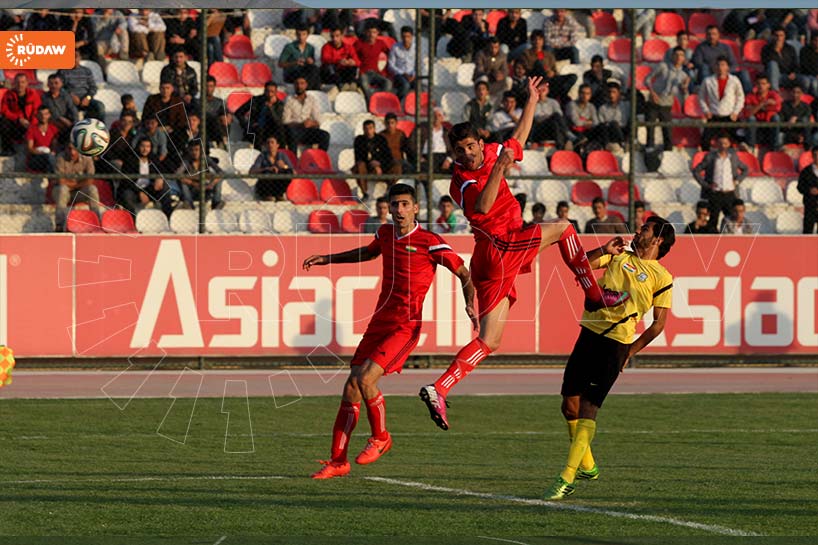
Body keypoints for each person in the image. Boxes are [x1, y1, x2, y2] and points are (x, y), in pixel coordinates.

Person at [419, 76, 629, 430]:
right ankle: (596, 297)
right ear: (453, 154)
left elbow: (518, 137)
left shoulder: (491, 152)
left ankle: (438, 388)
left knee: (490, 340)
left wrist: (531, 99)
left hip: (492, 258)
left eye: (470, 146)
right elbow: (483, 207)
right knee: (564, 228)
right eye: (459, 150)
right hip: (500, 245)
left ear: (480, 142)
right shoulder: (462, 181)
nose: (466, 154)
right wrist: (499, 169)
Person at [303, 183, 477, 479]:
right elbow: (368, 253)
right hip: (379, 322)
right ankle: (338, 461)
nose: (399, 210)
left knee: (366, 379)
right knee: (351, 386)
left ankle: (381, 437)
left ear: (416, 208)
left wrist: (469, 304)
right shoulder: (385, 233)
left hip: (405, 325)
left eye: (405, 204)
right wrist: (329, 258)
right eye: (395, 204)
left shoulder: (429, 241)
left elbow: (463, 272)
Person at [544, 217, 676, 500]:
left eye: (645, 229)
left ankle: (567, 476)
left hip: (616, 344)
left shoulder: (662, 277)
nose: (638, 231)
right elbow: (581, 265)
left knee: (589, 407)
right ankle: (588, 466)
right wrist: (604, 249)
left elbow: (658, 325)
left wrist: (630, 351)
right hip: (588, 334)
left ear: (658, 240)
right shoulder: (619, 254)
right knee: (569, 406)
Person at [691, 134, 750, 231]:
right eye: (720, 143)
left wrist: (737, 181)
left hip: (729, 193)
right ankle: (712, 237)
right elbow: (696, 171)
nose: (723, 146)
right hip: (715, 194)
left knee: (731, 219)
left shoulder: (733, 157)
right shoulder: (710, 157)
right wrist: (706, 185)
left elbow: (746, 169)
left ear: (729, 144)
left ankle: (731, 238)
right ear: (716, 144)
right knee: (713, 220)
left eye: (725, 143)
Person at [646, 47, 690, 151]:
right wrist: (652, 92)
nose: (678, 57)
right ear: (672, 56)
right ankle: (649, 151)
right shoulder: (663, 66)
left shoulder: (683, 75)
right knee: (650, 129)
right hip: (653, 102)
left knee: (667, 132)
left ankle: (668, 152)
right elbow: (647, 79)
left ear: (684, 59)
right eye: (676, 54)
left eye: (681, 55)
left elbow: (684, 96)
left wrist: (685, 89)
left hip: (667, 105)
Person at [118, 136, 174, 217]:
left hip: (149, 189)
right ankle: (133, 220)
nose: (145, 149)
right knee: (127, 195)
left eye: (148, 146)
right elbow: (126, 181)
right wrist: (139, 192)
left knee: (165, 187)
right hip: (133, 189)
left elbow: (161, 170)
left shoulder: (153, 159)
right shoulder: (130, 159)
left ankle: (168, 216)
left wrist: (160, 178)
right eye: (143, 146)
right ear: (138, 147)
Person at [698, 56, 745, 151]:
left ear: (727, 67)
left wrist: (736, 112)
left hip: (730, 116)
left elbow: (741, 97)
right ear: (714, 67)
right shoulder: (708, 81)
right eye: (718, 65)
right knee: (705, 141)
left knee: (741, 139)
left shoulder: (734, 80)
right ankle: (707, 157)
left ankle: (742, 156)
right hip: (714, 116)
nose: (720, 67)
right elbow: (701, 97)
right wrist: (706, 111)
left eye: (723, 65)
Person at [54, 143, 101, 231]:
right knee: (62, 189)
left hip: (80, 191)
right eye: (69, 149)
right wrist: (79, 183)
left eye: (75, 149)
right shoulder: (60, 158)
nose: (72, 152)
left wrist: (73, 185)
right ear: (66, 149)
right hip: (65, 191)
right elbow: (61, 181)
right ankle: (59, 225)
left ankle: (97, 222)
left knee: (92, 189)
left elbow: (90, 180)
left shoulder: (87, 158)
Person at [283, 77, 330, 152]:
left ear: (306, 85)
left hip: (308, 130)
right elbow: (285, 121)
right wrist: (301, 124)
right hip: (294, 130)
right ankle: (293, 158)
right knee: (291, 132)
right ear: (294, 85)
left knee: (325, 136)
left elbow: (318, 119)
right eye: (297, 83)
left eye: (302, 83)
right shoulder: (289, 99)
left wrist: (311, 123)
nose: (299, 86)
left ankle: (319, 157)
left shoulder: (312, 99)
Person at [56, 51, 105, 123]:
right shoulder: (62, 71)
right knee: (72, 112)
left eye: (76, 57)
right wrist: (70, 96)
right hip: (70, 99)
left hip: (86, 99)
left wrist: (88, 97)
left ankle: (99, 127)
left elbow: (93, 87)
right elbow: (60, 88)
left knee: (100, 106)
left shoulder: (86, 71)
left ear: (80, 58)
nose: (74, 59)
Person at [236, 81, 286, 149]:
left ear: (276, 92)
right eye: (267, 91)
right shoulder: (255, 100)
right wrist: (247, 124)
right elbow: (239, 112)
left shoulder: (279, 104)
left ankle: (283, 152)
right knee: (258, 130)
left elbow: (277, 121)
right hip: (255, 129)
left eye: (272, 92)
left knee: (281, 129)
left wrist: (271, 108)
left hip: (270, 130)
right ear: (264, 91)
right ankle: (258, 152)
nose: (269, 94)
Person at [0, 73, 42, 155]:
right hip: (15, 122)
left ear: (27, 83)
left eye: (23, 82)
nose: (20, 85)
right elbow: (4, 110)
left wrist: (31, 124)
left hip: (30, 123)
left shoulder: (33, 94)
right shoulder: (8, 94)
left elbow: (37, 111)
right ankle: (7, 149)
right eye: (18, 82)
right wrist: (18, 119)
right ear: (14, 83)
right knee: (3, 121)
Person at [175, 141, 224, 210]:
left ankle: (216, 203)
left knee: (219, 179)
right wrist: (193, 183)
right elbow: (178, 174)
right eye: (191, 150)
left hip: (206, 188)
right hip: (193, 190)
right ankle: (189, 204)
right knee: (182, 182)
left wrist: (212, 184)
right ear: (188, 151)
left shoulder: (206, 159)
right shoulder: (187, 160)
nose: (194, 152)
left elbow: (221, 172)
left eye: (196, 150)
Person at [353, 120, 393, 198]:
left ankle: (389, 190)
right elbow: (358, 157)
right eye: (366, 128)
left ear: (374, 129)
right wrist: (371, 163)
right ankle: (364, 193)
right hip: (366, 166)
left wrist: (379, 163)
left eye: (370, 128)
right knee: (360, 165)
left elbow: (388, 156)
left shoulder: (381, 139)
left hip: (381, 165)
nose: (368, 131)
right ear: (363, 129)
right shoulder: (359, 140)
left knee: (396, 166)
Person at [530, 81, 574, 150]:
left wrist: (549, 118)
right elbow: (537, 118)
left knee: (556, 121)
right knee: (555, 117)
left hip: (552, 127)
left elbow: (560, 116)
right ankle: (568, 135)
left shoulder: (553, 102)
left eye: (544, 90)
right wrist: (550, 117)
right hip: (539, 128)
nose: (542, 92)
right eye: (540, 89)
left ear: (548, 90)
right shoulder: (532, 103)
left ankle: (560, 146)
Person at [742, 74, 782, 150]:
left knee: (776, 117)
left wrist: (756, 108)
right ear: (755, 85)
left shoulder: (773, 95)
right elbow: (748, 113)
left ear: (768, 85)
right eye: (758, 83)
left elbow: (777, 108)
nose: (761, 86)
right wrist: (762, 104)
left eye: (763, 84)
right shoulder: (750, 96)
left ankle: (774, 148)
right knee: (751, 118)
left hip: (769, 125)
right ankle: (751, 147)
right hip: (755, 126)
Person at [249, 136, 294, 201]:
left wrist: (284, 166)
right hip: (265, 184)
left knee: (288, 172)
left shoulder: (282, 156)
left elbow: (294, 172)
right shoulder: (262, 156)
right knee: (267, 172)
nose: (270, 144)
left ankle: (279, 194)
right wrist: (267, 168)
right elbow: (252, 171)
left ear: (277, 145)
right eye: (268, 143)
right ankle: (267, 195)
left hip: (278, 183)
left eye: (272, 142)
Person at [355, 26, 393, 99]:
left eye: (374, 32)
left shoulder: (380, 43)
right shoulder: (359, 43)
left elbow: (390, 54)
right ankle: (372, 101)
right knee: (364, 85)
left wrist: (384, 70)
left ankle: (378, 100)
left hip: (376, 73)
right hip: (364, 73)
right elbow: (352, 55)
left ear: (377, 33)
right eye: (369, 32)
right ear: (365, 32)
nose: (371, 35)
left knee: (388, 83)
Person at [278, 25, 320, 90]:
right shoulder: (289, 47)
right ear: (296, 35)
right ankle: (308, 90)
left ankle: (312, 90)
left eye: (304, 34)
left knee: (315, 69)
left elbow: (312, 63)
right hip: (291, 74)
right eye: (299, 34)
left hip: (304, 73)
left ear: (307, 35)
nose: (301, 37)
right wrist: (294, 63)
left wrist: (311, 61)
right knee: (313, 74)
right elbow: (280, 64)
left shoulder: (310, 48)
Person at [40, 74, 78, 146]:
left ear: (61, 84)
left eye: (56, 83)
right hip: (52, 122)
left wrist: (75, 123)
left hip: (67, 123)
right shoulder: (44, 97)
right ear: (48, 84)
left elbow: (73, 109)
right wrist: (61, 118)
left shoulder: (66, 96)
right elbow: (46, 112)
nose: (53, 86)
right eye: (51, 83)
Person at [762, 27, 800, 91]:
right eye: (776, 35)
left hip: (789, 76)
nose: (779, 38)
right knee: (772, 64)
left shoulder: (790, 48)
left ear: (784, 36)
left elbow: (796, 64)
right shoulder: (766, 49)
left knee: (805, 81)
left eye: (781, 35)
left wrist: (794, 73)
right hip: (775, 76)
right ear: (772, 36)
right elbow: (767, 64)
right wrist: (775, 49)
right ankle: (775, 91)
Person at [473, 37, 509, 104]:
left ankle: (505, 101)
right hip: (484, 78)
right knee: (483, 78)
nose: (493, 50)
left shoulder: (502, 55)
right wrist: (491, 73)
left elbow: (505, 70)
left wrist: (501, 75)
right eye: (491, 47)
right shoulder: (481, 54)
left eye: (496, 47)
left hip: (497, 80)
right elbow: (479, 70)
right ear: (488, 46)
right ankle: (482, 102)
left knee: (509, 80)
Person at [596, 82, 629, 154]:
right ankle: (606, 146)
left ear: (619, 93)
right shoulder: (602, 108)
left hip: (622, 130)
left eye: (614, 92)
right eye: (609, 92)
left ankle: (623, 143)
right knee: (606, 125)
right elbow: (602, 124)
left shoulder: (626, 105)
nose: (611, 95)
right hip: (609, 132)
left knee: (614, 124)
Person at [25, 106, 59, 173]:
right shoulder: (32, 129)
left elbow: (54, 147)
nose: (43, 117)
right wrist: (41, 153)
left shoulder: (53, 129)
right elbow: (30, 148)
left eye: (46, 114)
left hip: (49, 157)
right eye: (41, 114)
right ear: (37, 115)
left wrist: (51, 153)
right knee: (49, 158)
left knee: (51, 159)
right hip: (35, 158)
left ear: (49, 115)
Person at [388, 26, 416, 101]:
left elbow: (419, 63)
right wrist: (403, 73)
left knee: (421, 86)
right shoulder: (395, 47)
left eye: (408, 37)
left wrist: (414, 74)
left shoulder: (416, 48)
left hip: (412, 74)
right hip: (399, 74)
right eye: (404, 36)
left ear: (412, 37)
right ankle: (396, 101)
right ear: (401, 36)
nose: (406, 39)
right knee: (405, 86)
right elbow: (391, 65)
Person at [797, 148, 818, 234]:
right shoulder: (806, 171)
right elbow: (800, 187)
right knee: (808, 230)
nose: (817, 157)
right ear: (812, 156)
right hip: (810, 204)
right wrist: (809, 190)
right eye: (815, 155)